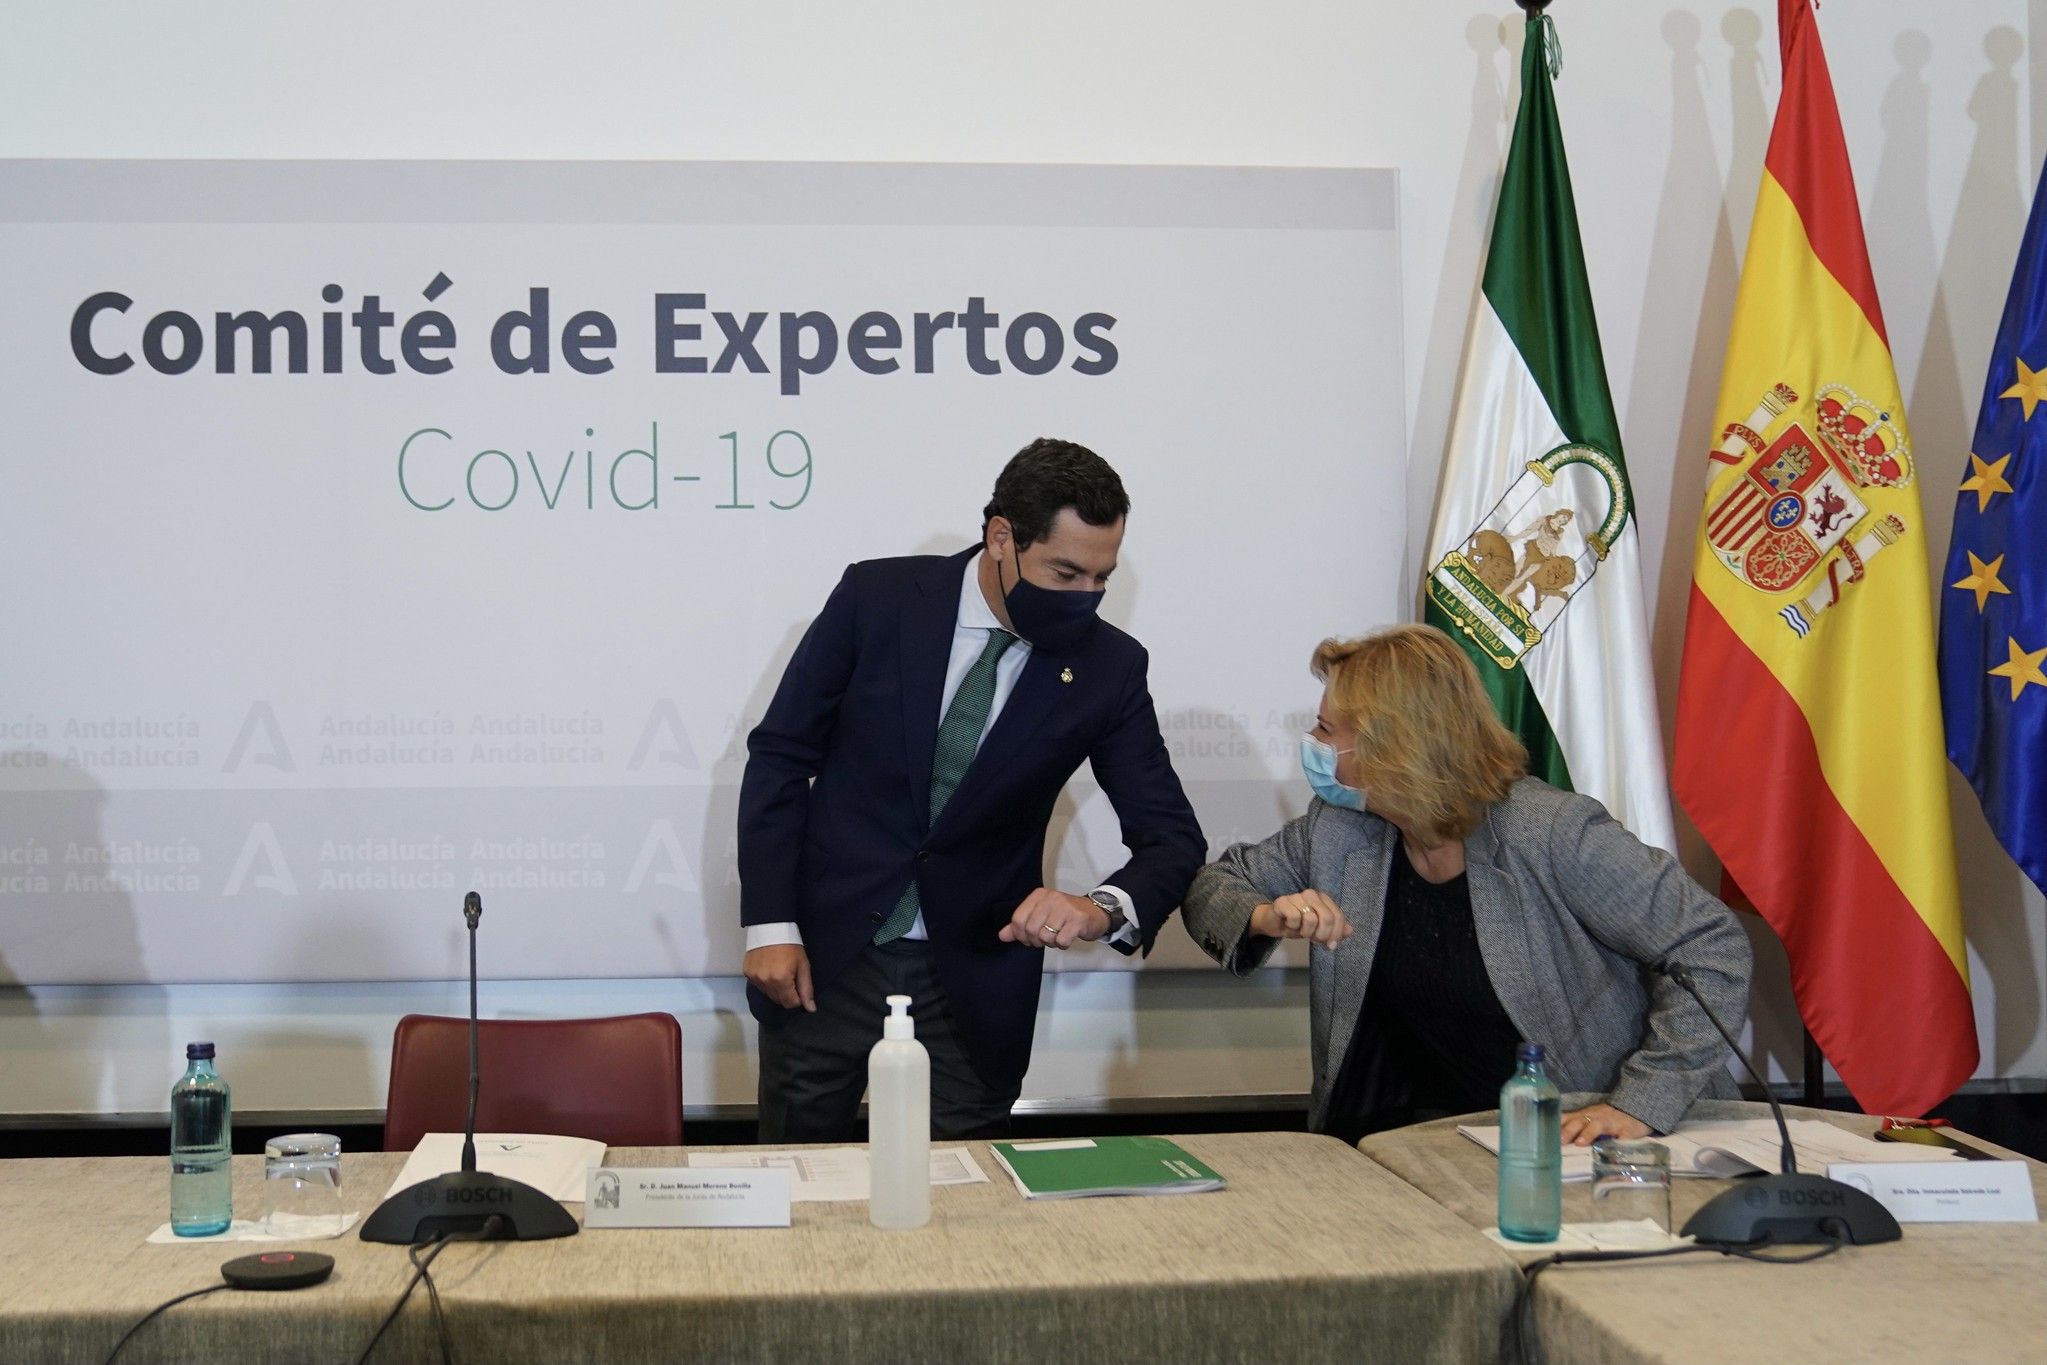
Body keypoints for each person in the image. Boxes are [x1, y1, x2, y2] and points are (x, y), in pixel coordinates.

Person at [739, 438, 1205, 1141]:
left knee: (970, 1196)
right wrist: (771, 926)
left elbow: (1171, 837)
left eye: (1101, 579)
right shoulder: (877, 599)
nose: (1085, 597)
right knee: (799, 1180)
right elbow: (780, 755)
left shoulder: (1109, 668)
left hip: (976, 984)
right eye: (1066, 572)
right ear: (1001, 538)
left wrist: (1095, 908)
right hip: (825, 962)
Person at [1181, 624, 1751, 1144]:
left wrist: (1641, 1102)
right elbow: (1213, 888)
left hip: (1584, 1142)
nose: (1311, 740)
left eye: (1327, 729)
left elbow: (1710, 946)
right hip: (1407, 1145)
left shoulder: (1550, 831)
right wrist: (1268, 916)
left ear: (1392, 747)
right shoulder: (1338, 829)